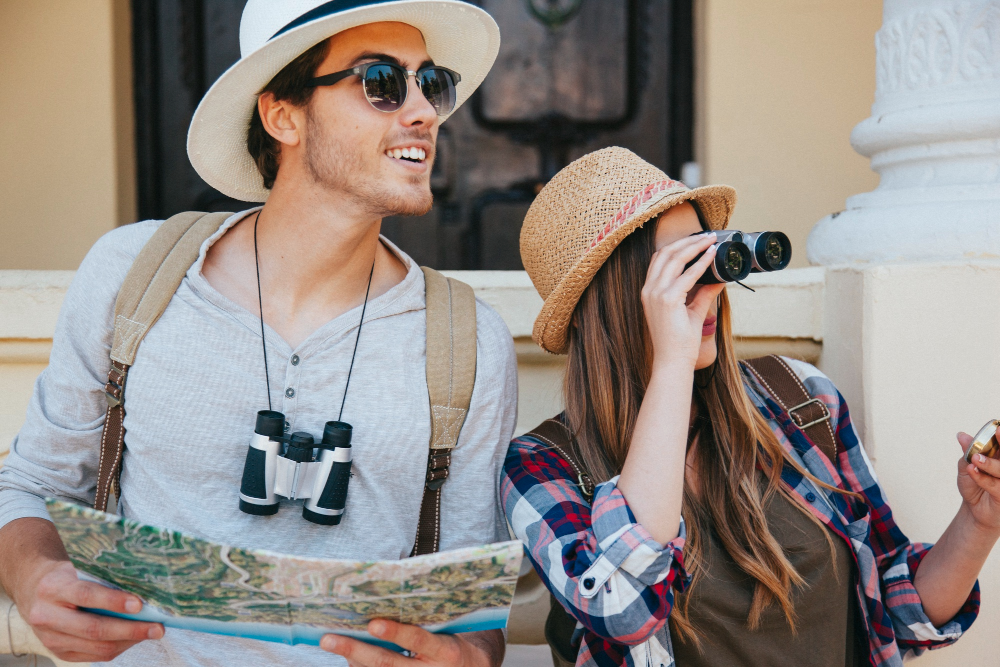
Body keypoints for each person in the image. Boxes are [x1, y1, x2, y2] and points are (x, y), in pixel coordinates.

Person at [0, 2, 515, 665]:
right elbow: (31, 484)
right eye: (382, 81)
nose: (422, 111)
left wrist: (468, 656)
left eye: (431, 84)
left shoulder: (468, 340)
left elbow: (469, 612)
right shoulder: (133, 275)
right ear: (283, 115)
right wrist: (36, 575)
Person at [502, 146, 997, 666]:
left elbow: (895, 615)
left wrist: (980, 521)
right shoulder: (541, 466)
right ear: (605, 300)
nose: (710, 289)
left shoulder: (800, 399)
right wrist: (672, 363)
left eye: (709, 259)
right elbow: (624, 609)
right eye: (678, 273)